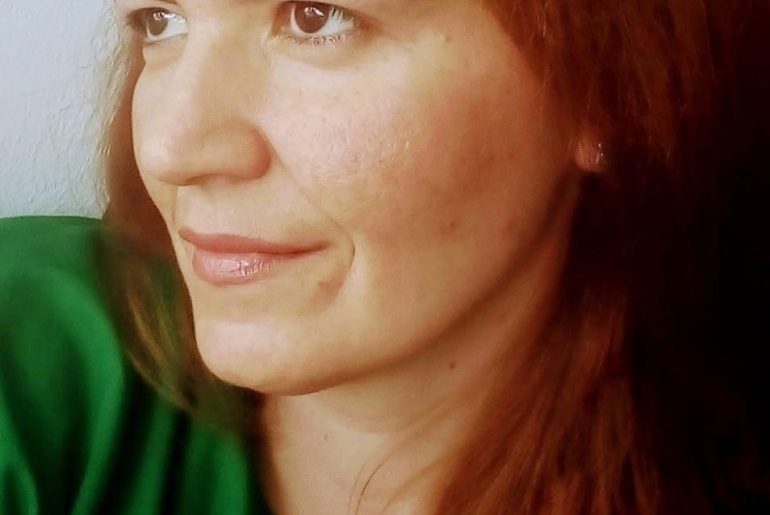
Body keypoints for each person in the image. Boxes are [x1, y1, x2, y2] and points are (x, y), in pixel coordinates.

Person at [1, 0, 768, 513]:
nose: (172, 148)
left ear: (605, 88)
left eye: (317, 18)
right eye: (160, 21)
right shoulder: (34, 354)